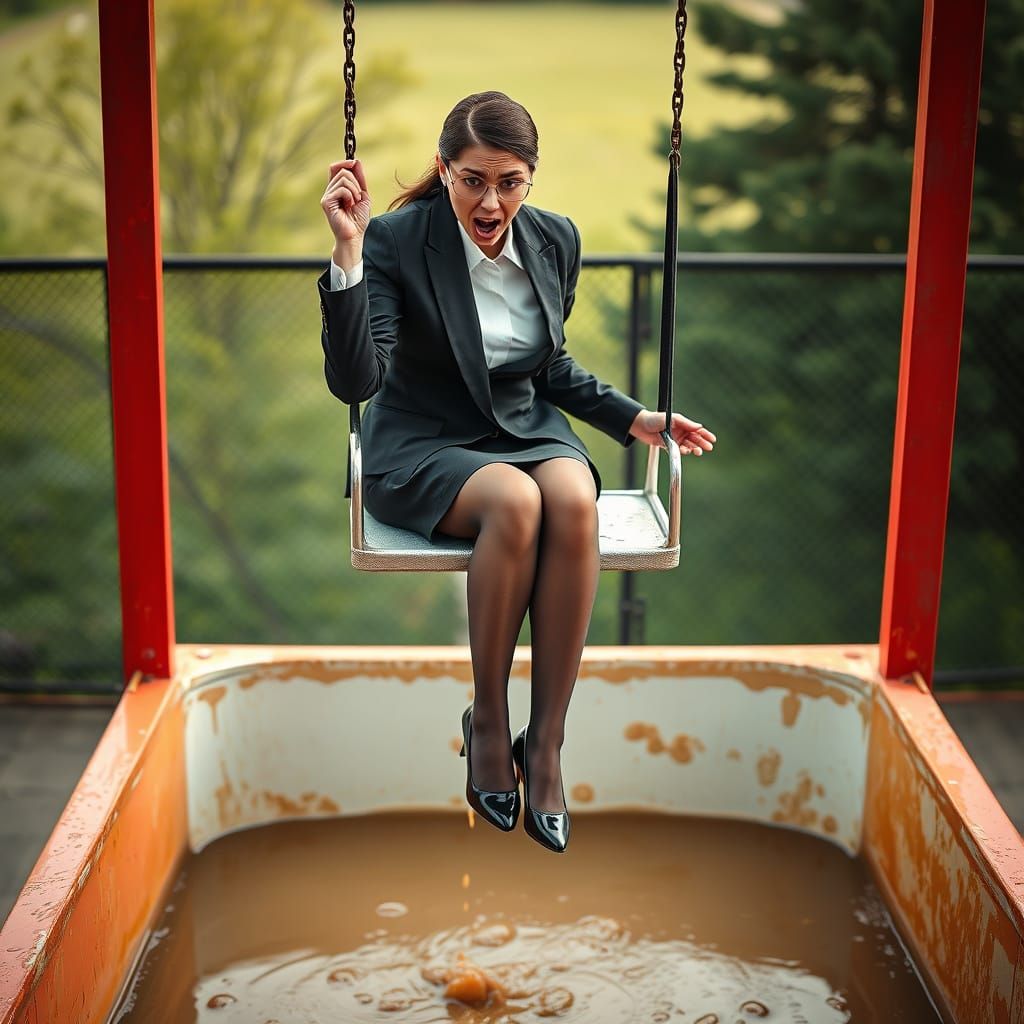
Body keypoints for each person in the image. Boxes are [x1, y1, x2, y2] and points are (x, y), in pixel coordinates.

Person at [318, 91, 715, 853]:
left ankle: (549, 744)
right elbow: (357, 383)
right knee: (516, 501)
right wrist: (349, 256)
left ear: (531, 178)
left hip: (525, 428)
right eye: (472, 180)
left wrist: (634, 419)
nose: (491, 201)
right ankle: (491, 724)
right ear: (445, 170)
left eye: (510, 181)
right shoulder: (400, 241)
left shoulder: (556, 238)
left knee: (570, 498)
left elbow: (549, 365)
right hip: (423, 443)